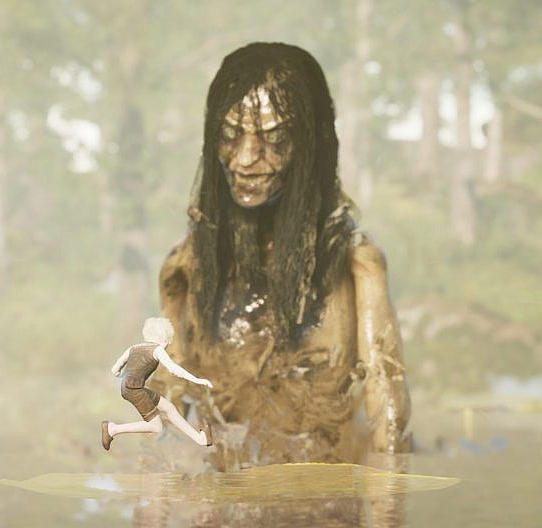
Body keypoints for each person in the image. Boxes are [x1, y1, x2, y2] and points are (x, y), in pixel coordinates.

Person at [153, 42, 411, 466]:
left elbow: (389, 426)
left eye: (274, 138)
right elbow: (164, 429)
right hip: (222, 504)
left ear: (310, 143)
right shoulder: (185, 269)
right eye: (229, 135)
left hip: (327, 501)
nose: (246, 159)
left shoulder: (355, 265)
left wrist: (387, 506)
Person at [100, 317, 214, 450]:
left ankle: (200, 439)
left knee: (169, 408)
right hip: (135, 390)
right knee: (156, 426)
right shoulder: (157, 349)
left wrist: (125, 378)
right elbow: (173, 369)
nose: (167, 345)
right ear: (164, 339)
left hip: (131, 388)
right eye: (168, 342)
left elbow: (115, 370)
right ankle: (113, 429)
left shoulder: (133, 348)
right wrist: (196, 379)